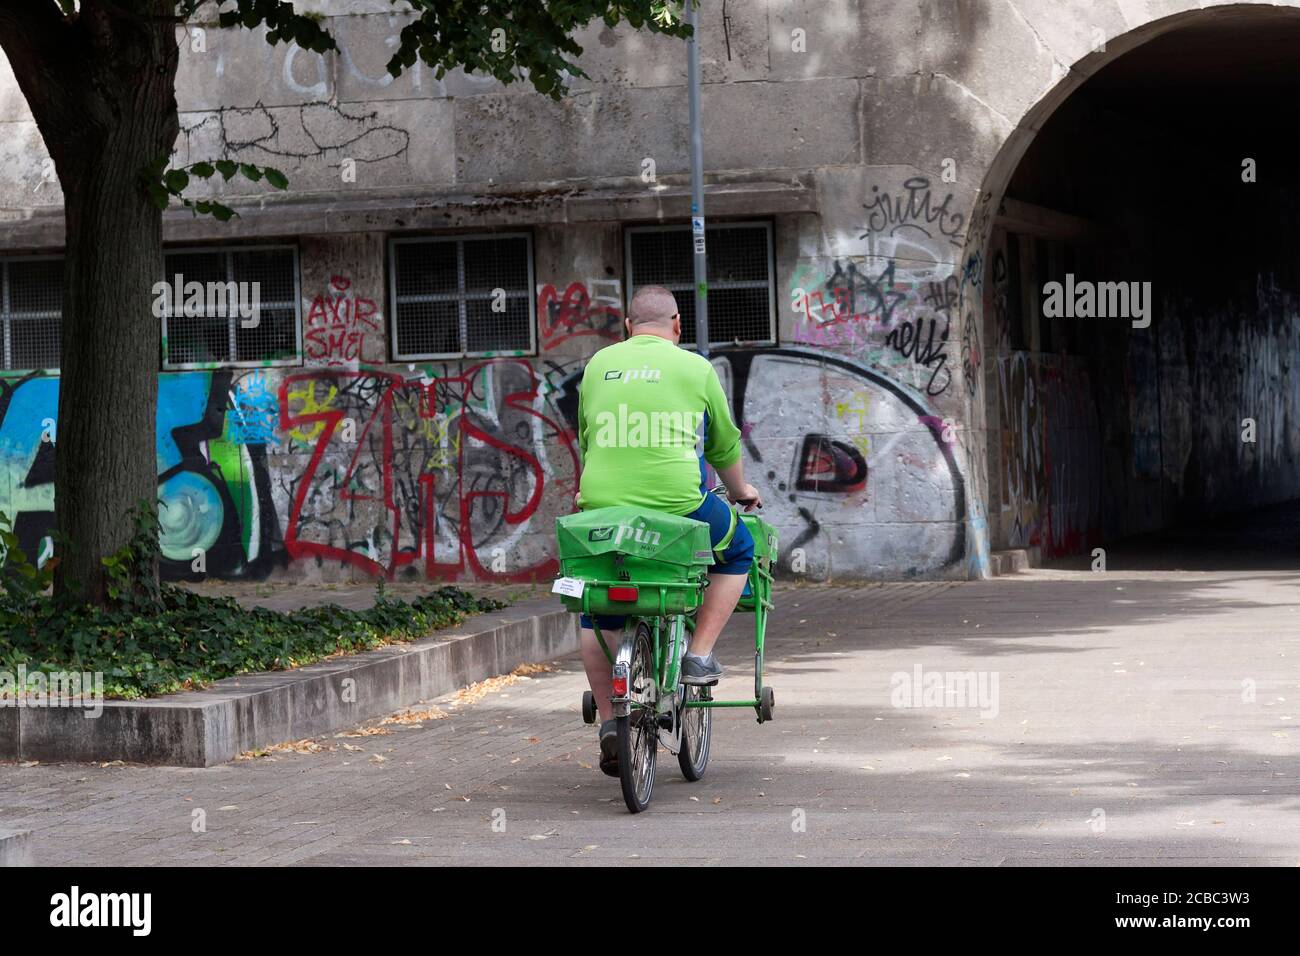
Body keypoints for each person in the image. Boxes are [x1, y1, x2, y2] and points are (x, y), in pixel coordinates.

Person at [574, 284, 762, 775]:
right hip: (678, 508)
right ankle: (697, 656)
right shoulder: (696, 368)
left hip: (603, 513)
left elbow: (588, 437)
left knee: (593, 604)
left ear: (627, 327)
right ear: (677, 325)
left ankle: (613, 724)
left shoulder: (598, 365)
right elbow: (722, 449)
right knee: (739, 550)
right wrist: (741, 492)